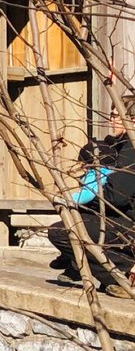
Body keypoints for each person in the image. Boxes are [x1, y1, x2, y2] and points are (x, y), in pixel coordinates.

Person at [48, 98, 135, 297]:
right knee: (76, 224)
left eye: (115, 116)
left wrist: (81, 202)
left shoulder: (132, 149)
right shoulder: (121, 146)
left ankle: (124, 272)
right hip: (123, 221)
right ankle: (86, 268)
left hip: (129, 225)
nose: (111, 121)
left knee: (62, 231)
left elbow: (115, 196)